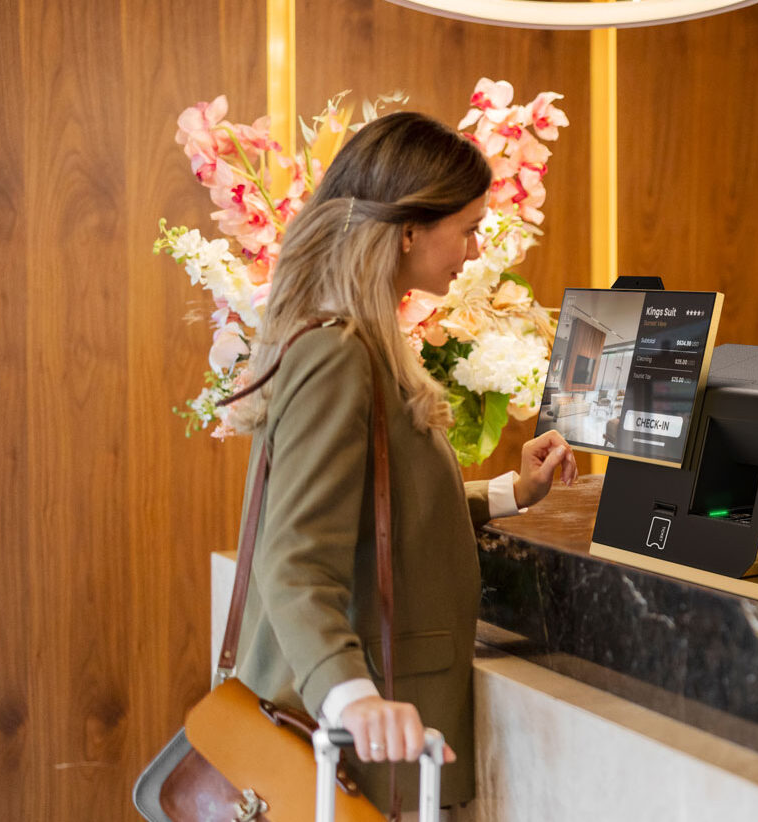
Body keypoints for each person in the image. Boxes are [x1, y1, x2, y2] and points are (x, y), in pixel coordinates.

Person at [226, 111, 577, 813]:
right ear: (409, 228)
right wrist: (354, 697)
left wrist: (511, 491)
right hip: (355, 750)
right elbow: (294, 558)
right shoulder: (336, 353)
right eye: (469, 227)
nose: (476, 250)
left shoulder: (359, 342)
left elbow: (386, 516)